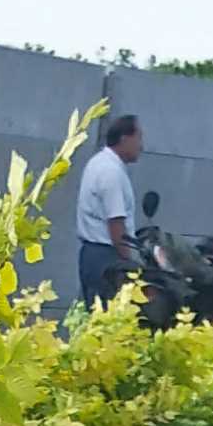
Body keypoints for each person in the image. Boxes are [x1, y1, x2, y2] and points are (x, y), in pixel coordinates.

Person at [75, 112, 144, 310]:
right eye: (139, 137)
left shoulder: (99, 163)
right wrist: (129, 263)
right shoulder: (111, 172)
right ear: (125, 138)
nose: (141, 145)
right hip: (107, 258)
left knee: (95, 318)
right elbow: (116, 225)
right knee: (109, 321)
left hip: (92, 255)